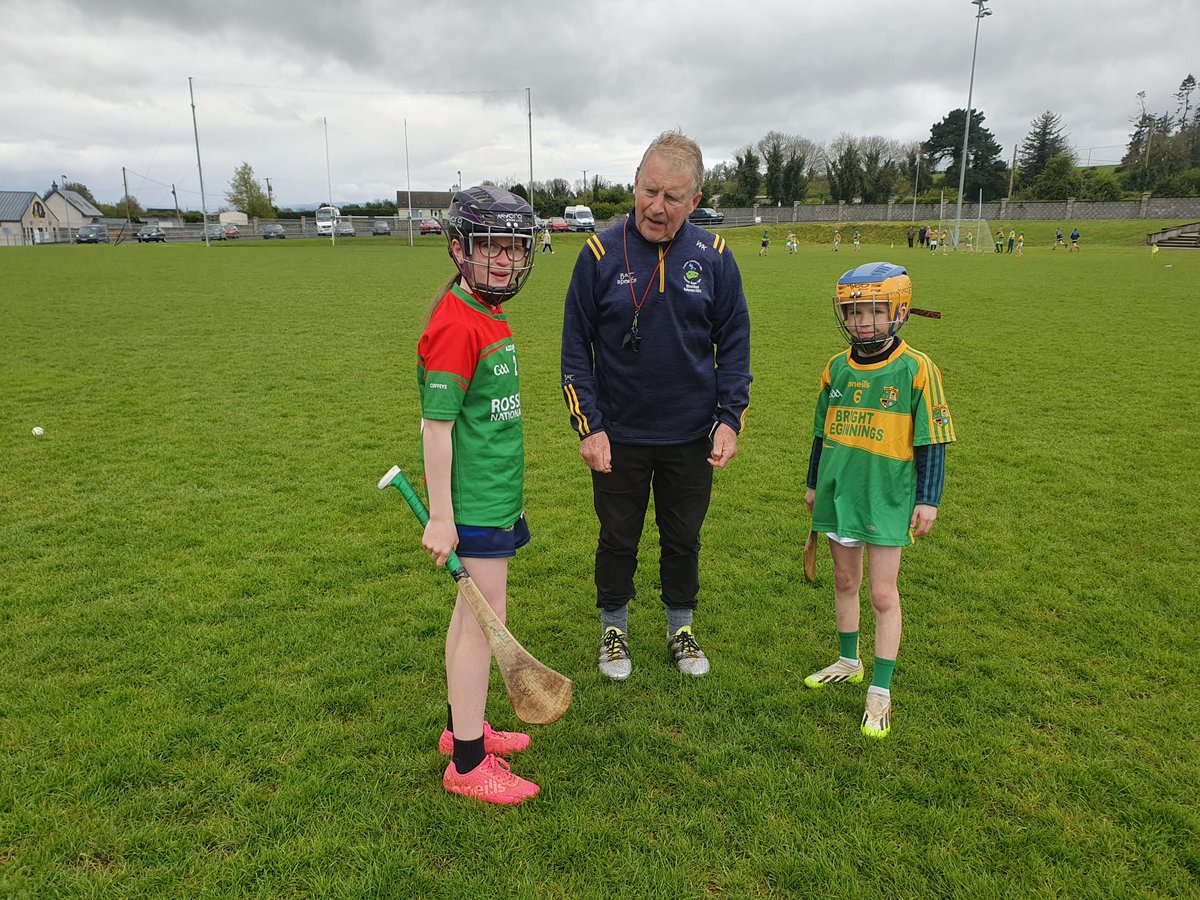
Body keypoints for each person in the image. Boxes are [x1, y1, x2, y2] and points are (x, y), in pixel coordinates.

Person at [560, 130, 752, 681]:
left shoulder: (714, 257)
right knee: (617, 536)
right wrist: (589, 427)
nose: (656, 207)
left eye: (672, 197)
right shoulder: (598, 254)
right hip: (618, 434)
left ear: (695, 202)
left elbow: (734, 345)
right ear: (634, 185)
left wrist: (729, 418)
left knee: (683, 536)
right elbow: (575, 349)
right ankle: (613, 628)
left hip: (691, 434)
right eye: (648, 191)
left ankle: (680, 626)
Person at [417, 186, 541, 804]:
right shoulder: (455, 323)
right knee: (482, 626)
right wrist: (442, 515)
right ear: (460, 248)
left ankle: (459, 729)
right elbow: (435, 429)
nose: (504, 261)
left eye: (515, 249)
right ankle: (467, 764)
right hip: (473, 505)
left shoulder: (485, 313)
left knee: (471, 620)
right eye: (491, 247)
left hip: (494, 495)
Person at [803, 261, 956, 739]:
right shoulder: (835, 367)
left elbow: (932, 438)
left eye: (872, 311)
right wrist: (813, 483)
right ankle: (849, 661)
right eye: (853, 312)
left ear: (899, 310)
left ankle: (880, 690)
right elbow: (818, 433)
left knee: (882, 594)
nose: (861, 322)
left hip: (887, 495)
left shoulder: (916, 368)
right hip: (838, 490)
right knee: (845, 582)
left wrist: (928, 499)